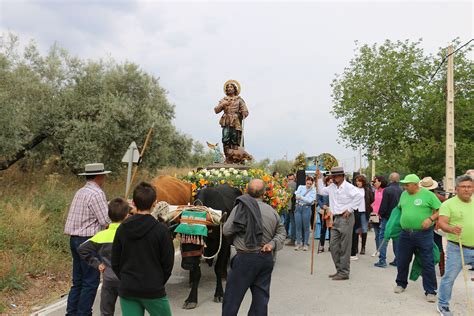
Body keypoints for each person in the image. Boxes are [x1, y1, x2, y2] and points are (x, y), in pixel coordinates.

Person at [222, 179, 286, 316]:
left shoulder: (240, 208)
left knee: (232, 299)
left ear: (246, 191)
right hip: (265, 259)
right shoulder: (272, 211)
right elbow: (281, 233)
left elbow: (226, 230)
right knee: (260, 301)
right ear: (264, 194)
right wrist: (272, 244)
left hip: (244, 259)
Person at [112, 182, 175, 316]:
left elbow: (115, 262)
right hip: (153, 289)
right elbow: (168, 264)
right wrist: (157, 282)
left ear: (133, 203)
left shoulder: (122, 229)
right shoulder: (161, 231)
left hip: (128, 289)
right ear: (154, 204)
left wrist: (125, 279)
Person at [64, 163, 111, 315]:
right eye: (103, 174)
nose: (104, 177)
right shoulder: (97, 193)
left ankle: (71, 313)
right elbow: (105, 221)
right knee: (91, 281)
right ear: (99, 176)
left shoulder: (81, 191)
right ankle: (83, 313)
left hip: (74, 239)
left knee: (78, 281)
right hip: (88, 241)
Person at [78, 198, 131, 316]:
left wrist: (97, 263)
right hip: (127, 279)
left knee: (106, 312)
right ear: (127, 216)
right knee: (130, 311)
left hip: (109, 279)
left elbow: (82, 249)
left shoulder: (102, 235)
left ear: (109, 215)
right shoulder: (131, 234)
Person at [394, 174, 441, 303]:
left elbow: (440, 210)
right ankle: (401, 283)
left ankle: (430, 291)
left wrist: (430, 219)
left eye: (407, 184)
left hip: (424, 234)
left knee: (427, 262)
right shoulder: (403, 195)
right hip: (405, 234)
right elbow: (399, 210)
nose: (404, 187)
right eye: (404, 184)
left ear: (415, 185)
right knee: (402, 260)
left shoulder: (428, 195)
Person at [316, 166, 363, 280]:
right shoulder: (332, 187)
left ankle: (344, 272)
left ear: (342, 176)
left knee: (345, 247)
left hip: (346, 218)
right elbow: (321, 191)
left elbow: (360, 195)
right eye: (333, 176)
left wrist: (350, 209)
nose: (335, 178)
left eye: (337, 176)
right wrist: (319, 178)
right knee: (333, 245)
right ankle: (340, 270)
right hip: (336, 218)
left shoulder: (348, 187)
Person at [436, 175, 474, 316]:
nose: (466, 189)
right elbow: (442, 223)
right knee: (449, 277)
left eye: (469, 186)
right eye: (463, 187)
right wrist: (451, 229)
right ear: (456, 189)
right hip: (457, 248)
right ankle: (443, 305)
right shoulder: (448, 204)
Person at [214, 79, 249, 163]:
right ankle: (228, 158)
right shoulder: (223, 100)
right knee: (225, 139)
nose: (229, 88)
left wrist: (243, 113)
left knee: (235, 139)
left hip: (236, 121)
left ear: (235, 89)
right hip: (226, 121)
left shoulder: (239, 100)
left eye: (231, 87)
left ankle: (236, 158)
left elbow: (246, 112)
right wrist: (223, 104)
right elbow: (216, 110)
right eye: (228, 87)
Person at [419, 176, 446, 276]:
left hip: (424, 225)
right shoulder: (441, 198)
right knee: (439, 247)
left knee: (424, 247)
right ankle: (442, 269)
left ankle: (423, 268)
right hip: (437, 226)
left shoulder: (421, 197)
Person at [375, 172, 402, 268]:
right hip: (398, 218)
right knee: (396, 239)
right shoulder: (401, 190)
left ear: (390, 179)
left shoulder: (387, 190)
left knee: (383, 238)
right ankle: (397, 259)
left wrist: (381, 214)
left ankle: (382, 260)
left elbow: (384, 205)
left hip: (387, 218)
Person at [351, 175, 374, 260]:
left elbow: (372, 199)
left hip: (364, 211)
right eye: (357, 181)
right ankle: (355, 247)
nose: (358, 183)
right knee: (356, 229)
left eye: (360, 181)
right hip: (356, 211)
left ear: (363, 182)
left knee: (364, 229)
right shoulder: (353, 189)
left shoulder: (367, 189)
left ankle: (363, 247)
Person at [293, 176, 317, 251]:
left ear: (312, 183)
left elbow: (310, 201)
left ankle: (305, 244)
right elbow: (296, 194)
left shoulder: (313, 190)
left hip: (306, 208)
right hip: (298, 207)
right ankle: (298, 243)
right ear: (305, 182)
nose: (309, 185)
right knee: (298, 226)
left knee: (306, 227)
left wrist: (301, 197)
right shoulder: (301, 187)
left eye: (310, 183)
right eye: (307, 183)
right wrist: (298, 196)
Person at [370, 175, 387, 257]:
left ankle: (382, 251)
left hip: (382, 216)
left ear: (380, 182)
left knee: (382, 235)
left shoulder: (385, 191)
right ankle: (378, 250)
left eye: (375, 181)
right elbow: (375, 201)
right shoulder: (375, 191)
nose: (374, 183)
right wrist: (372, 205)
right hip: (374, 215)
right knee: (377, 235)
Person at [318, 176, 333, 253]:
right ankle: (321, 246)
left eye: (332, 182)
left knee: (331, 229)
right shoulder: (323, 190)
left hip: (332, 211)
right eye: (330, 182)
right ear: (327, 182)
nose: (331, 183)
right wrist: (322, 205)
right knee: (323, 228)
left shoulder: (334, 190)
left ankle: (331, 245)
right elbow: (319, 199)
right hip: (323, 211)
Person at [284, 173, 297, 246]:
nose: (290, 181)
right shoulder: (296, 184)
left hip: (290, 206)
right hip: (292, 206)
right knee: (292, 223)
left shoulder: (288, 184)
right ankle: (293, 238)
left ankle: (293, 239)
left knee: (292, 223)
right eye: (289, 179)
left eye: (291, 179)